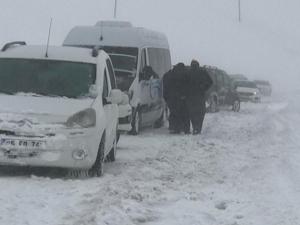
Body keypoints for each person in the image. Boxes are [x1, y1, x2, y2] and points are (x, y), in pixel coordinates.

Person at [186, 60, 213, 135]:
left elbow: (184, 84)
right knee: (200, 113)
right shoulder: (202, 72)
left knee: (192, 113)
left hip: (190, 96)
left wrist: (187, 91)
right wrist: (204, 88)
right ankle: (198, 128)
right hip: (200, 96)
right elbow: (210, 82)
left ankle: (195, 127)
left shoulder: (188, 72)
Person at [163, 63, 190, 134]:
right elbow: (187, 86)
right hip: (182, 97)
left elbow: (165, 86)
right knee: (184, 113)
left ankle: (174, 128)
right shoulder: (185, 74)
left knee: (173, 112)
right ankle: (185, 129)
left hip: (171, 97)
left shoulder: (169, 74)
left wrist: (166, 97)